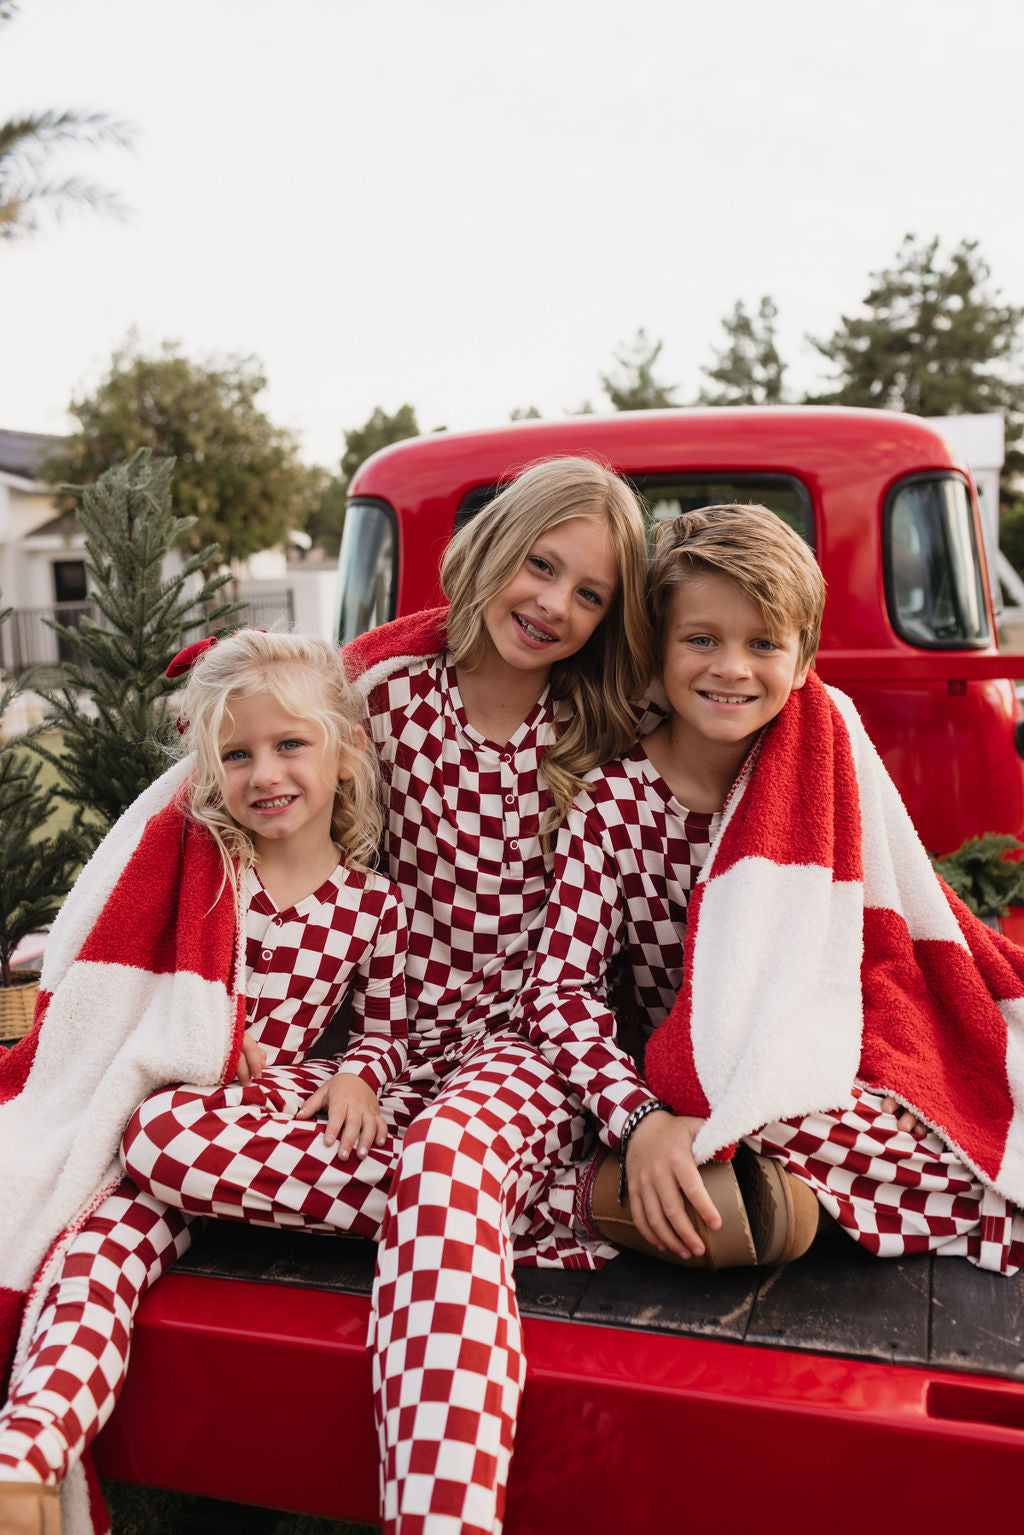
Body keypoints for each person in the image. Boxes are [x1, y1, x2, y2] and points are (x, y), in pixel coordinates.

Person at [2, 456, 654, 1535]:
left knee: (447, 1166)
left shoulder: (599, 731)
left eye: (590, 593)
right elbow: (260, 753)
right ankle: (30, 1447)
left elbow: (737, 733)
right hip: (375, 1062)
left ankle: (439, 1514)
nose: (553, 603)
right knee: (150, 1153)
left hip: (516, 1052)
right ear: (494, 552)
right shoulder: (386, 700)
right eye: (541, 566)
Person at [517, 502, 1024, 1278]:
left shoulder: (823, 755)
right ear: (658, 647)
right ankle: (628, 1191)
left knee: (933, 1118)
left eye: (763, 644)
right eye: (702, 639)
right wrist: (639, 1118)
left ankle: (798, 1202)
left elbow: (890, 926)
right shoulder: (616, 801)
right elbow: (560, 990)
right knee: (769, 1132)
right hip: (680, 1075)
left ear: (802, 655)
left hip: (807, 1053)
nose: (732, 668)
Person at [0, 629, 410, 1535]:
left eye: (290, 744)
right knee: (92, 1254)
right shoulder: (209, 870)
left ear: (344, 755)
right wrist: (209, 1035)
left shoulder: (373, 904)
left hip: (255, 1127)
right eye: (237, 754)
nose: (265, 772)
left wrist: (359, 1077)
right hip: (180, 1116)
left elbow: (384, 1027)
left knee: (166, 1142)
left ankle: (424, 1199)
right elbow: (146, 977)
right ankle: (26, 1457)